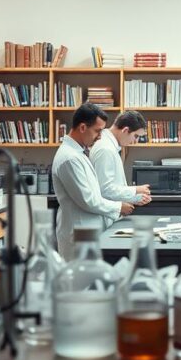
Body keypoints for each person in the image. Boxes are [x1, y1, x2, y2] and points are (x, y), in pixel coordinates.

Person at [51, 103, 134, 260]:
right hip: (78, 234)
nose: (100, 136)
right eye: (97, 131)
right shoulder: (69, 158)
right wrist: (118, 207)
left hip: (87, 233)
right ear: (83, 127)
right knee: (79, 283)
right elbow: (88, 200)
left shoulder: (78, 153)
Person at [90, 110, 152, 227]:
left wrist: (135, 198)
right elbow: (105, 190)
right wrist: (135, 190)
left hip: (107, 217)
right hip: (101, 219)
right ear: (125, 130)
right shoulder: (105, 149)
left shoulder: (110, 147)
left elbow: (113, 186)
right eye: (136, 136)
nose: (136, 141)